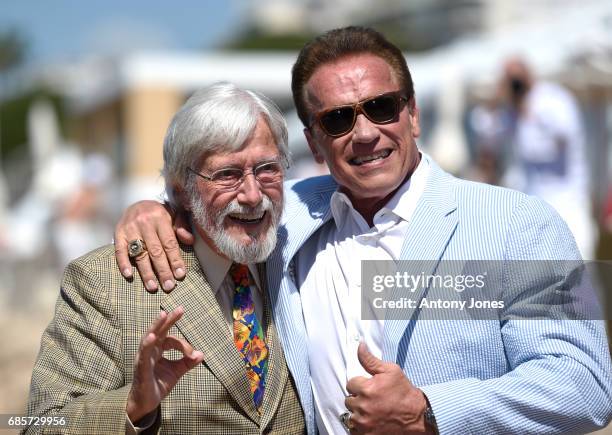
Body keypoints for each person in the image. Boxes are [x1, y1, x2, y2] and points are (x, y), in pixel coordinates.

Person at [114, 27, 612, 434]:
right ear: (313, 141)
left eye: (381, 106)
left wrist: (428, 410)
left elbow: (584, 383)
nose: (366, 132)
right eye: (337, 119)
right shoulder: (286, 219)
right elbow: (214, 202)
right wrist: (154, 209)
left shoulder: (519, 225)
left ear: (412, 113)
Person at [24, 83, 306, 434]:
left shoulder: (306, 251)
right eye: (227, 175)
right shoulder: (106, 283)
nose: (252, 194)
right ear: (179, 189)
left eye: (267, 168)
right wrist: (132, 405)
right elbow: (40, 424)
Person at [498, 57, 597, 259]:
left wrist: (532, 112)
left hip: (568, 202)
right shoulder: (511, 111)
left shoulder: (552, 99)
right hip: (535, 206)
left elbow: (564, 138)